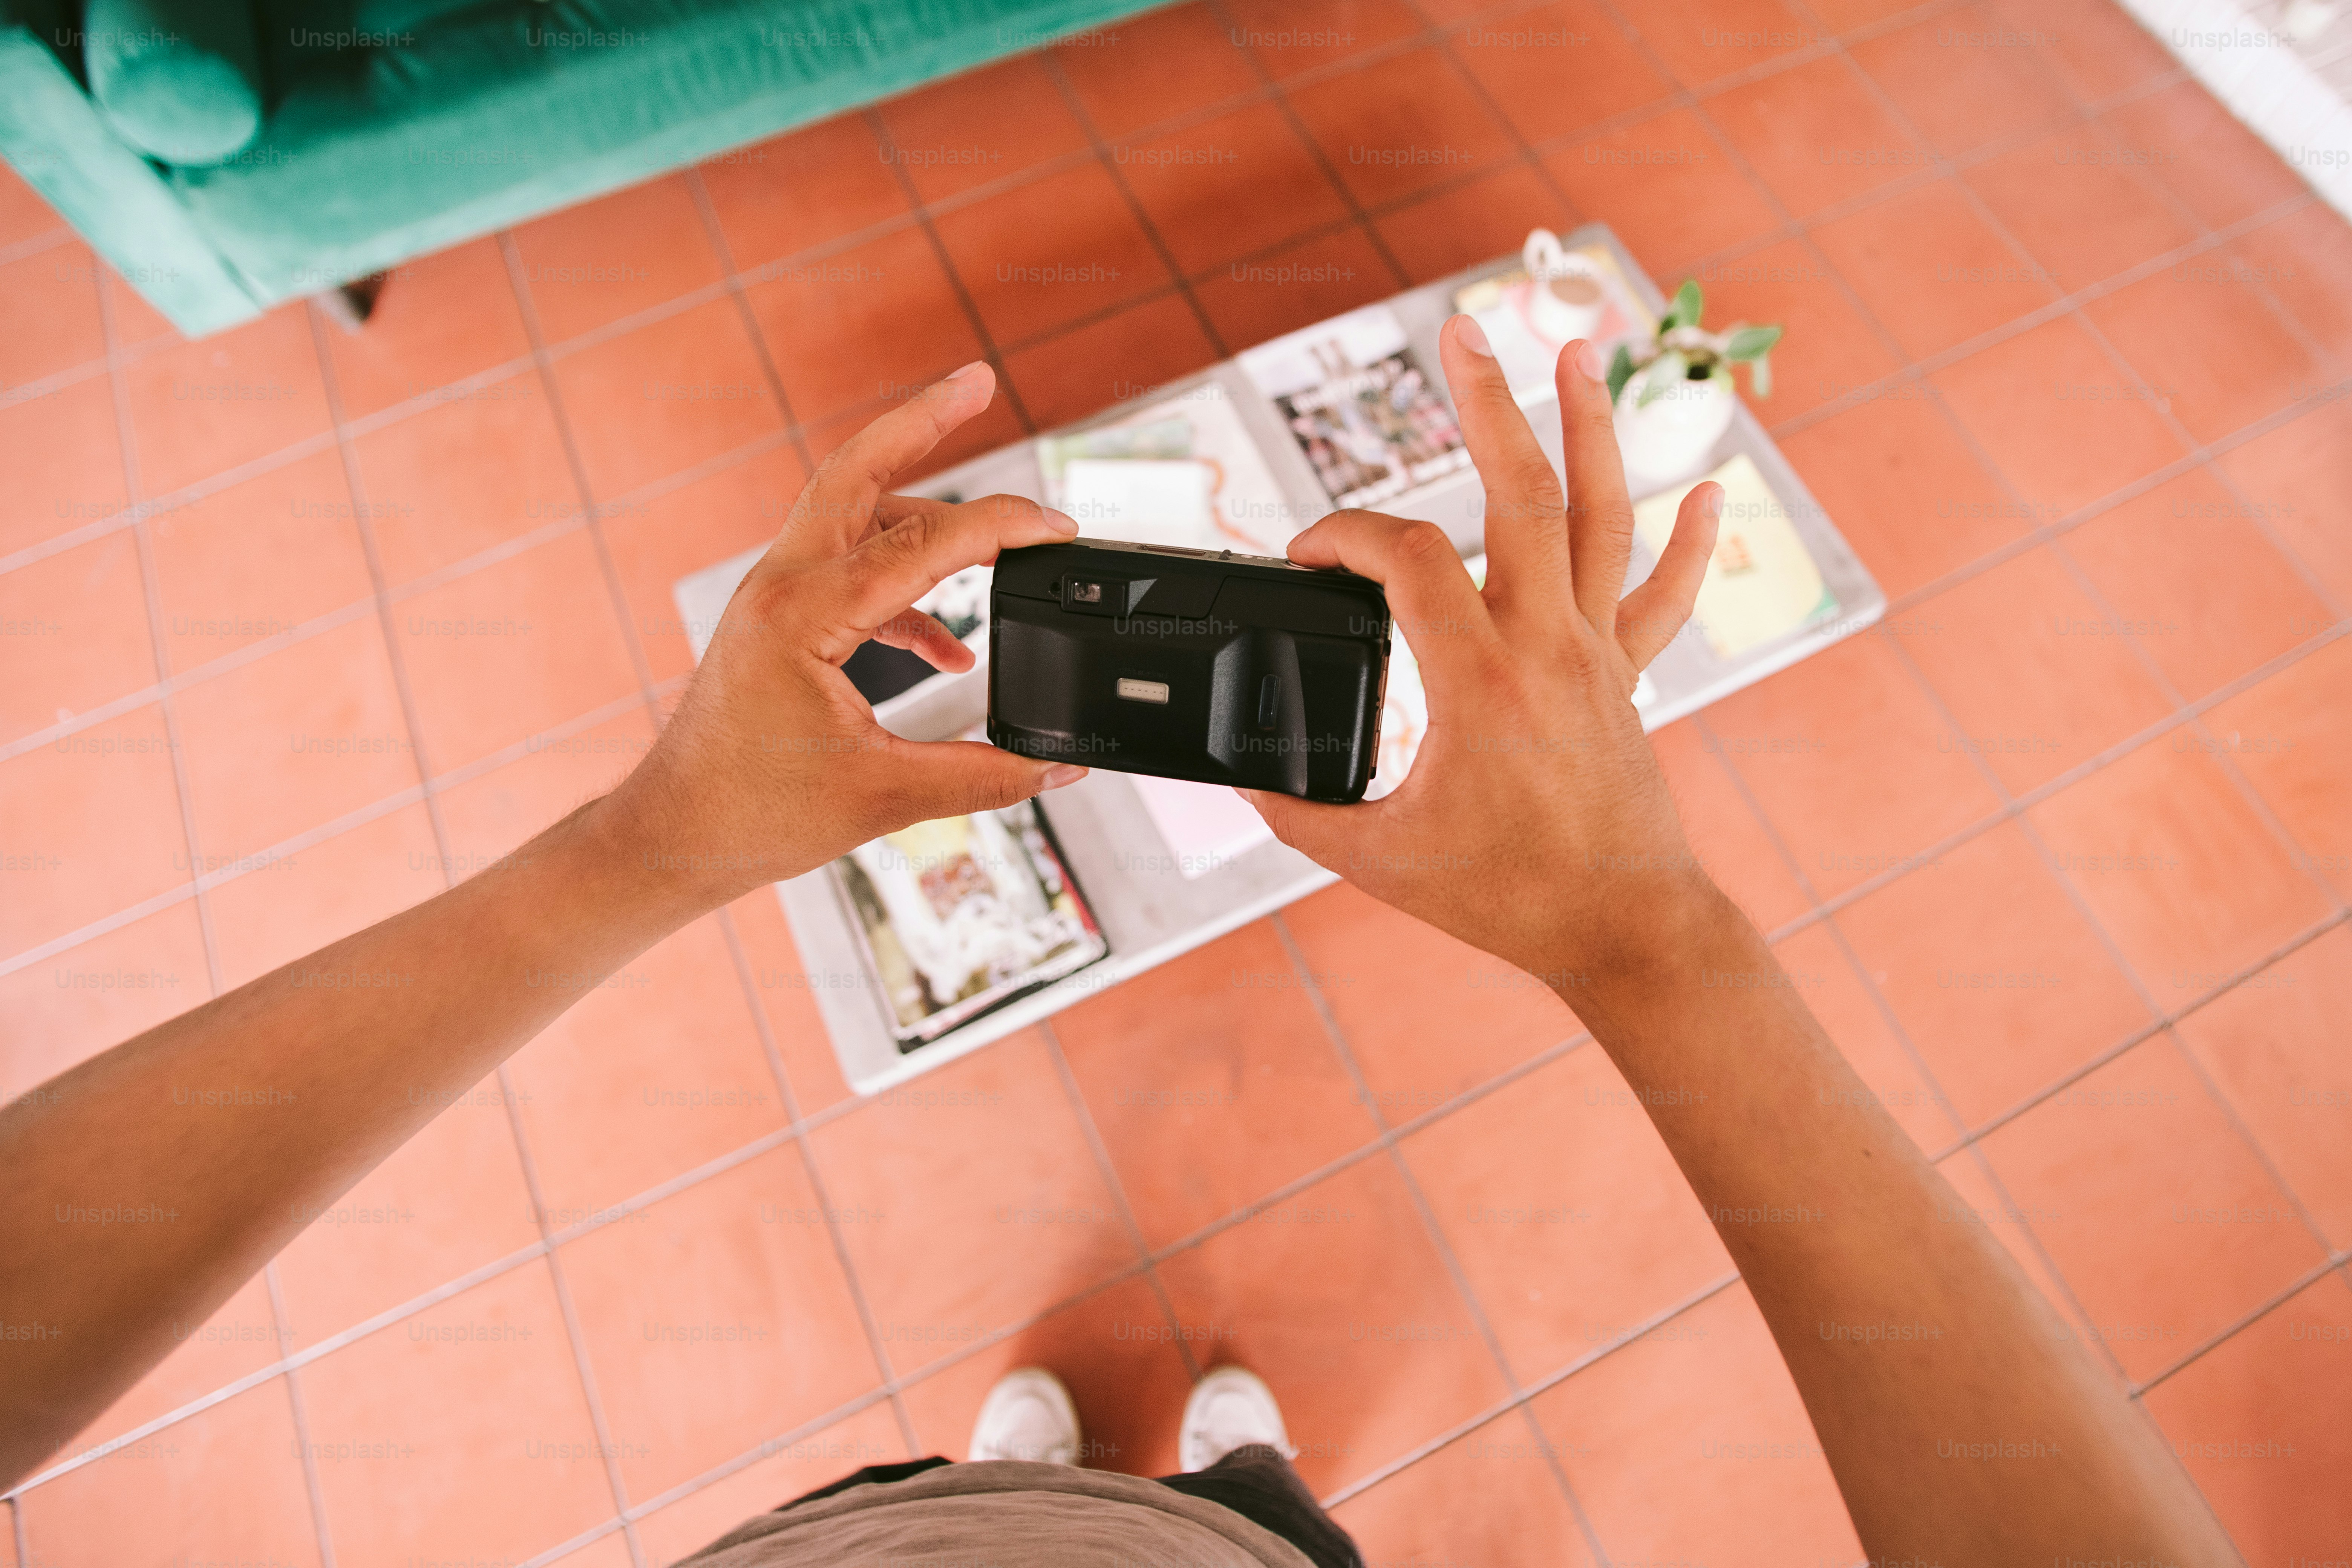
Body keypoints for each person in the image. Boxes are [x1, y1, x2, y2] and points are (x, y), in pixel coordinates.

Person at [0, 322, 2237, 1566]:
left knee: (963, 1503)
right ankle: (1221, 1493)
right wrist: (1652, 945)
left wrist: (647, 849)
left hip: (859, 1547)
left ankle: (1015, 1485)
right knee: (1254, 1511)